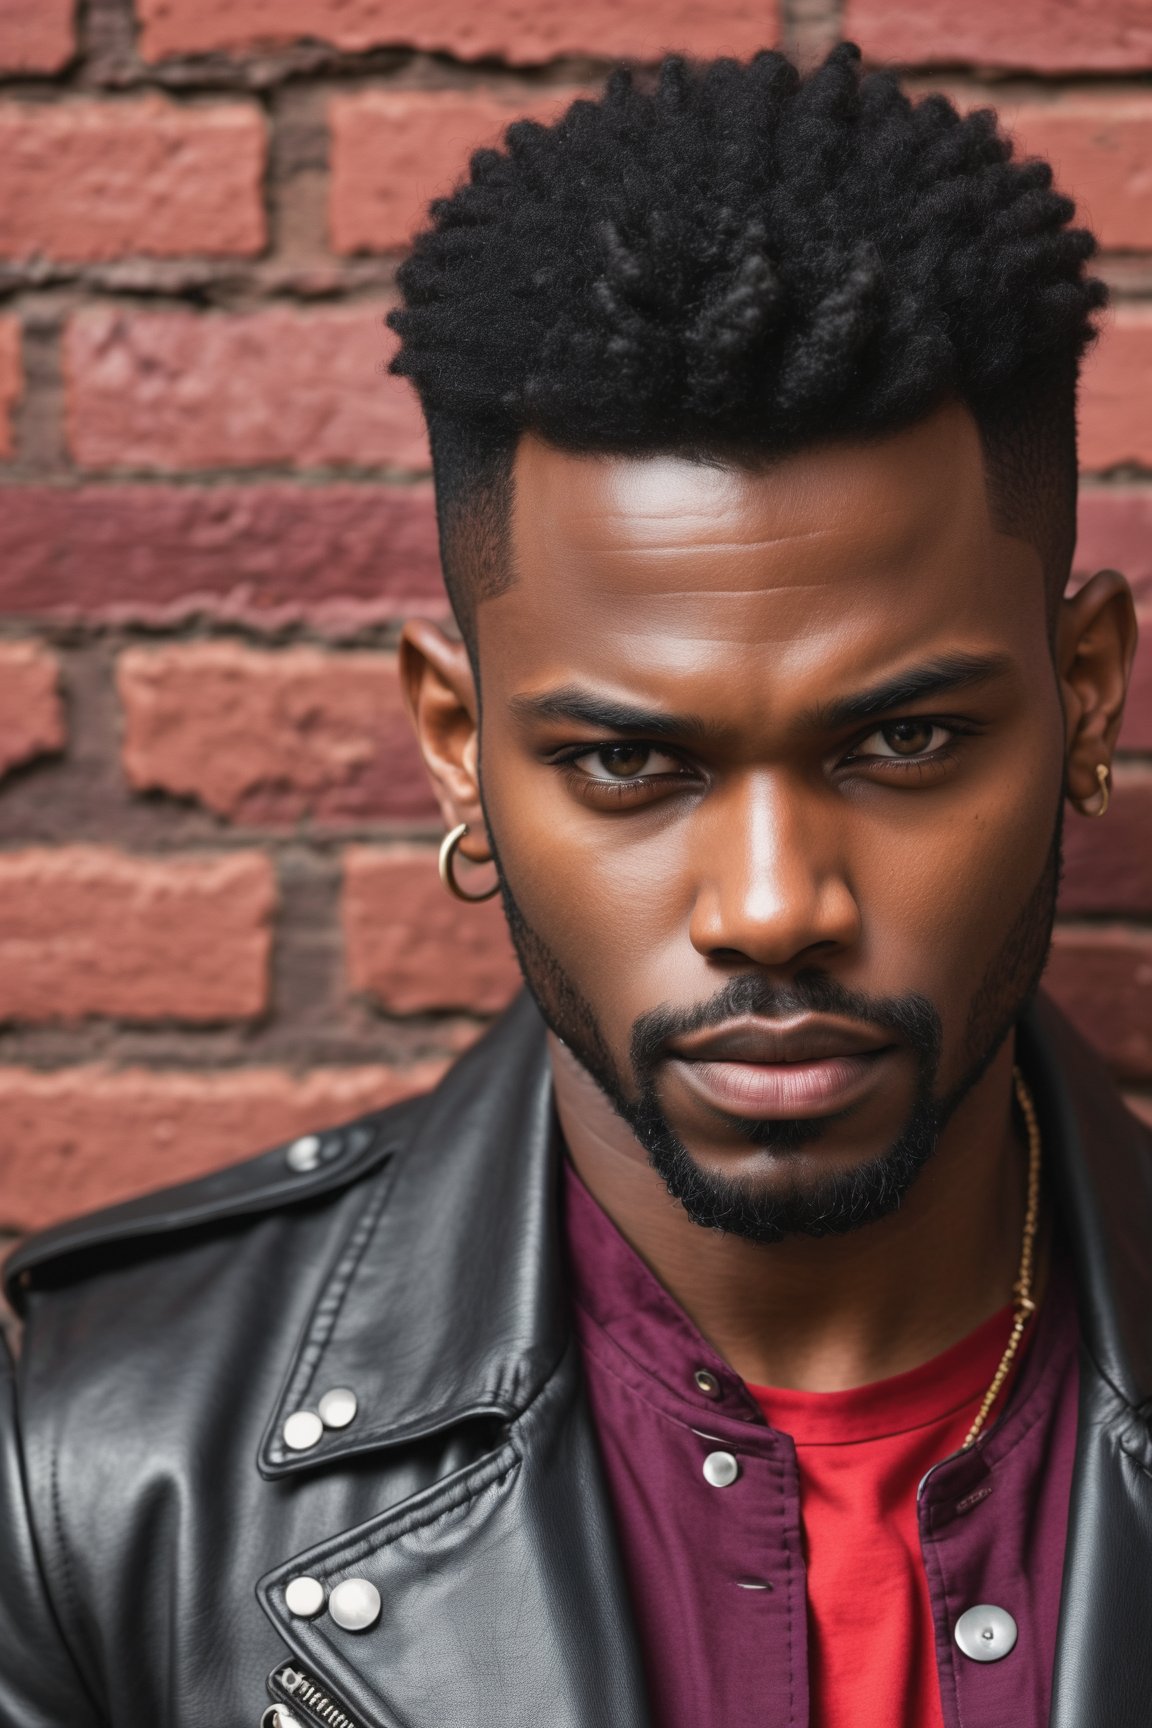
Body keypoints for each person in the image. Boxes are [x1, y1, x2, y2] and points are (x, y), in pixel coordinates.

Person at [1, 43, 1146, 1728]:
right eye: (630, 763)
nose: (771, 906)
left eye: (901, 741)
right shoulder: (97, 1466)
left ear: (1087, 702)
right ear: (461, 750)